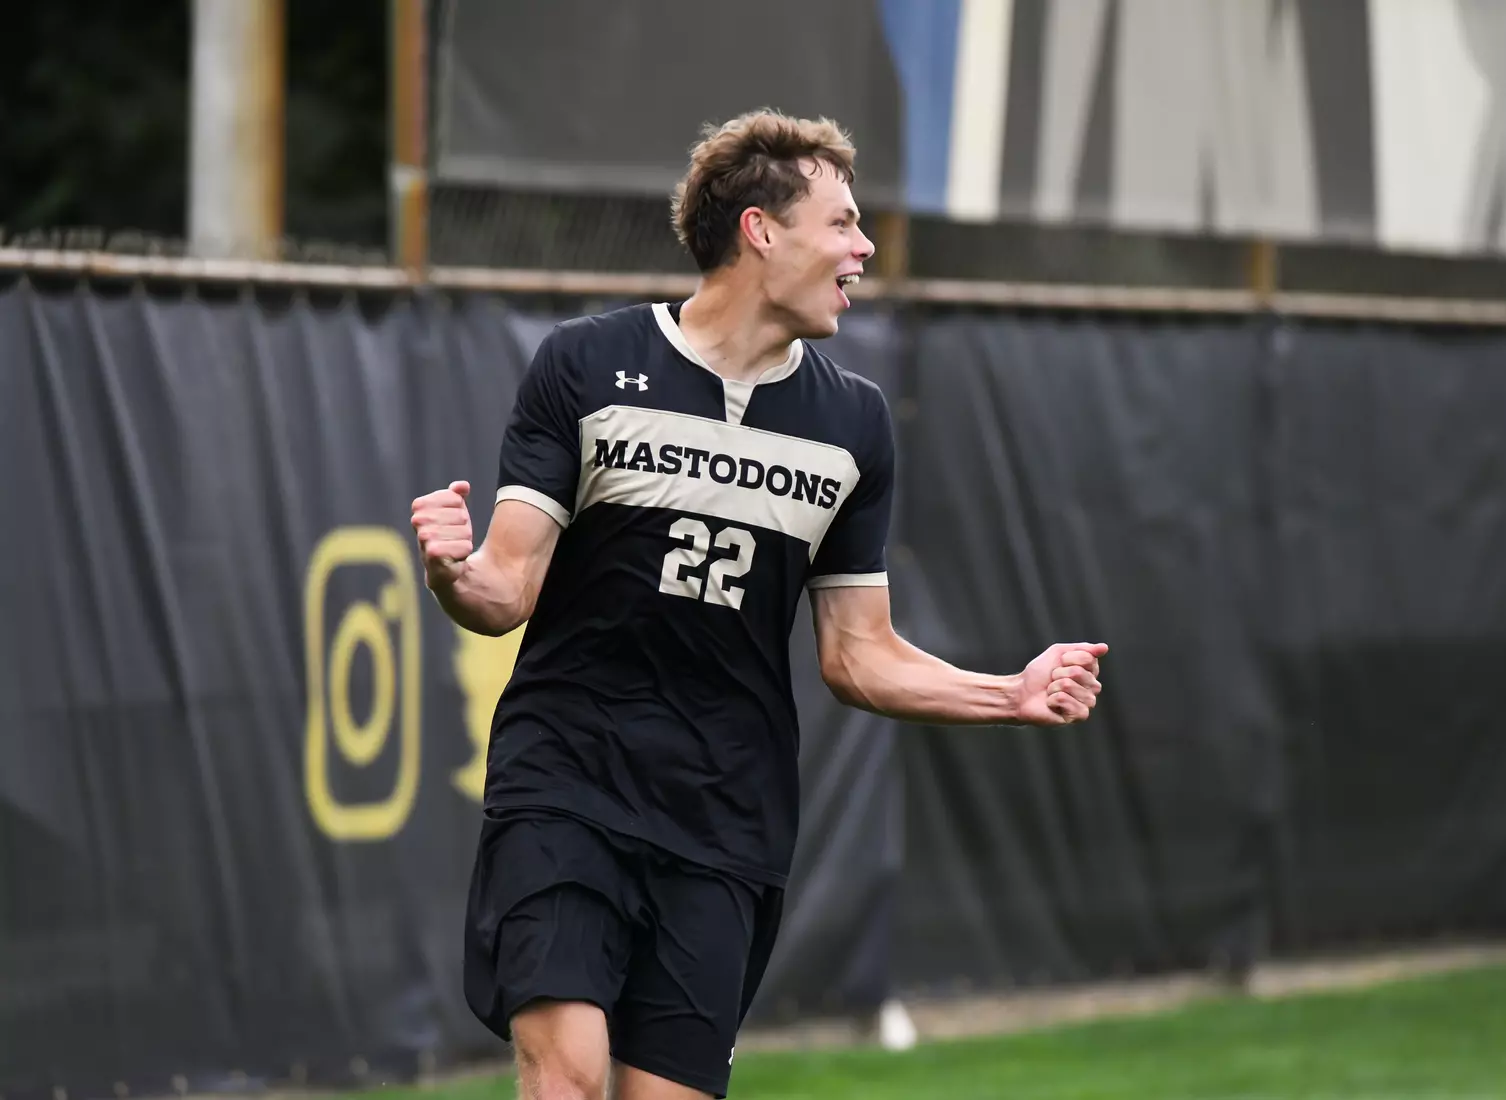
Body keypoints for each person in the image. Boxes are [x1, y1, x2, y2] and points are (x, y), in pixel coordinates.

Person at [409, 109, 1107, 1100]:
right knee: (565, 1074)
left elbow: (858, 654)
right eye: (844, 223)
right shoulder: (584, 365)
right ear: (761, 231)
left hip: (726, 812)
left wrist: (1010, 690)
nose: (863, 249)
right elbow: (504, 589)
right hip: (565, 779)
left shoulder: (854, 421)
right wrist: (451, 572)